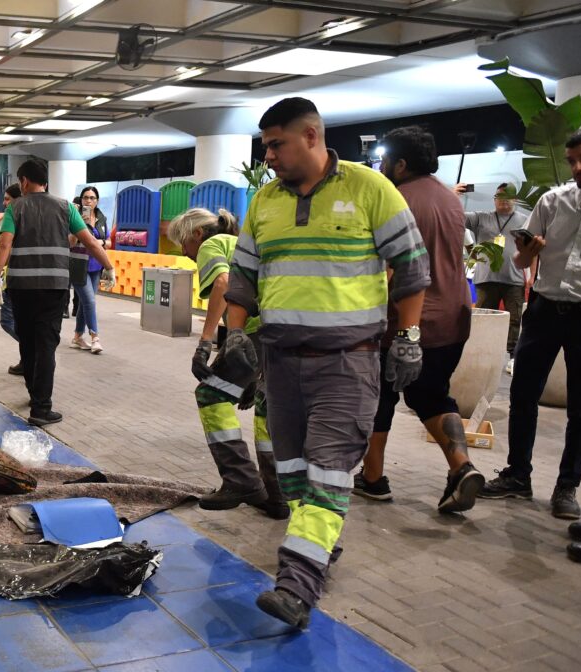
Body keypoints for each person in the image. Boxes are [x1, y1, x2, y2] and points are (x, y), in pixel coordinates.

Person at [224, 98, 429, 628]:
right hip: (280, 362)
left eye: (276, 144)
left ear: (311, 136)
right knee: (292, 474)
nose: (267, 155)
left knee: (328, 472)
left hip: (347, 363)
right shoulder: (265, 202)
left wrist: (408, 336)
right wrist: (233, 336)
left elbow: (410, 268)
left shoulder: (369, 188)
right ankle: (319, 540)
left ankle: (297, 585)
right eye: (265, 145)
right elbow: (243, 278)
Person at [354, 126, 481, 513]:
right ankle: (461, 467)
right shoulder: (448, 198)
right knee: (432, 395)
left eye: (386, 159)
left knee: (379, 398)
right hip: (454, 320)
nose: (382, 166)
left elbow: (389, 269)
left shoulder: (395, 199)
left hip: (405, 322)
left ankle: (373, 478)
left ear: (401, 164)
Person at [481, 128, 581, 520]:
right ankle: (518, 476)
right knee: (523, 394)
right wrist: (529, 253)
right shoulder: (553, 201)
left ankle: (566, 487)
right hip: (543, 309)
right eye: (573, 160)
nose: (577, 168)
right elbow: (523, 265)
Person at [169, 207, 287, 520]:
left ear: (196, 234)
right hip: (282, 330)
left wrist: (204, 343)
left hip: (255, 333)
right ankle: (276, 495)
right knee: (265, 409)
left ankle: (241, 480)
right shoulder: (240, 243)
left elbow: (223, 284)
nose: (185, 252)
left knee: (210, 394)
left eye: (184, 243)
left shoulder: (211, 244)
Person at [0, 160, 116, 427]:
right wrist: (109, 267)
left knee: (28, 341)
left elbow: (4, 244)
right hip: (53, 288)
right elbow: (90, 240)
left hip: (21, 289)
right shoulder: (66, 207)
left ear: (23, 181)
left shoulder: (16, 207)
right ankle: (41, 408)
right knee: (46, 345)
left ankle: (35, 395)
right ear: (45, 181)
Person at [458, 182, 529, 367]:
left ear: (515, 200)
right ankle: (476, 351)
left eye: (507, 198)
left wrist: (531, 274)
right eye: (499, 198)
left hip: (513, 278)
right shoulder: (481, 217)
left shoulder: (524, 221)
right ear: (494, 200)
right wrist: (455, 197)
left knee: (514, 318)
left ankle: (512, 356)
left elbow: (532, 249)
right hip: (485, 277)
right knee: (481, 317)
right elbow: (455, 217)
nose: (502, 202)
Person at [69, 186, 109, 354]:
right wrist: (81, 224)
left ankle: (77, 337)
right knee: (90, 301)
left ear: (97, 201)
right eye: (86, 197)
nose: (89, 201)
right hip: (78, 265)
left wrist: (102, 243)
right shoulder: (74, 217)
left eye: (92, 198)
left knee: (86, 303)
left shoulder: (101, 218)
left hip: (95, 266)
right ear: (81, 199)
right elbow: (70, 242)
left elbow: (109, 241)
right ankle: (95, 337)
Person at [0, 183, 24, 375]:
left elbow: (4, 246)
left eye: (7, 198)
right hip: (20, 280)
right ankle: (27, 359)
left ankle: (32, 350)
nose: (5, 202)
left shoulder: (13, 215)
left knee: (7, 321)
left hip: (16, 282)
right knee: (21, 322)